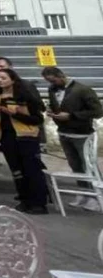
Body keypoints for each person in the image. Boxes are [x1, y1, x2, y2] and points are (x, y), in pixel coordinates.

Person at [42, 65, 103, 210]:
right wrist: (52, 111)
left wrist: (72, 115)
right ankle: (83, 193)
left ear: (61, 76)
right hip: (64, 133)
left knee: (89, 166)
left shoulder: (83, 90)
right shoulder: (52, 90)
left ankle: (97, 196)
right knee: (75, 166)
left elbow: (98, 111)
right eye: (49, 81)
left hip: (82, 134)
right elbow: (55, 105)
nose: (52, 84)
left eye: (53, 80)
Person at [0, 66, 48, 214]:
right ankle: (24, 199)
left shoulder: (24, 97)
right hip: (6, 136)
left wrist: (13, 114)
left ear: (13, 79)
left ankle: (38, 203)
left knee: (32, 169)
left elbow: (37, 119)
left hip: (26, 136)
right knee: (16, 170)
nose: (0, 81)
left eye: (3, 78)